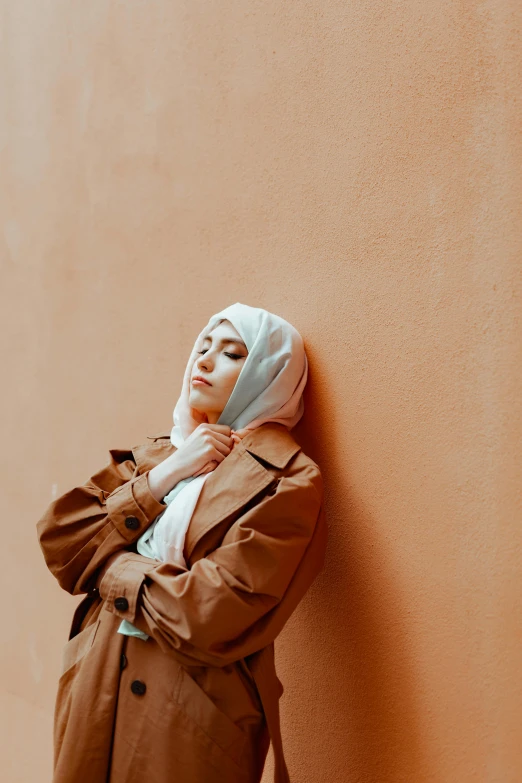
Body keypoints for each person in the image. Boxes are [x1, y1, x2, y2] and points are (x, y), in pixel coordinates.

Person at [37, 302, 328, 783]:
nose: (205, 361)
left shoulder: (288, 481)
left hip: (192, 710)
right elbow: (62, 538)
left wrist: (111, 568)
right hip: (96, 684)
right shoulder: (159, 453)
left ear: (268, 372)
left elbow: (212, 610)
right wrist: (164, 476)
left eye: (233, 353)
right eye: (204, 347)